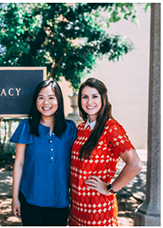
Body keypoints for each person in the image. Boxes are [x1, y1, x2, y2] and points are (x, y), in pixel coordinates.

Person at [69, 78, 142, 226]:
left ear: (103, 99)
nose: (89, 102)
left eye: (94, 96)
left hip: (98, 209)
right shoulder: (81, 128)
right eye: (85, 97)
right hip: (77, 208)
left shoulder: (111, 129)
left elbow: (135, 164)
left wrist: (110, 188)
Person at [10, 80, 77, 226]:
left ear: (59, 101)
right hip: (30, 198)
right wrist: (15, 198)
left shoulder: (70, 129)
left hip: (60, 200)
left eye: (51, 97)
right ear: (35, 101)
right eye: (41, 97)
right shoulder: (26, 126)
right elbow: (19, 163)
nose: (46, 102)